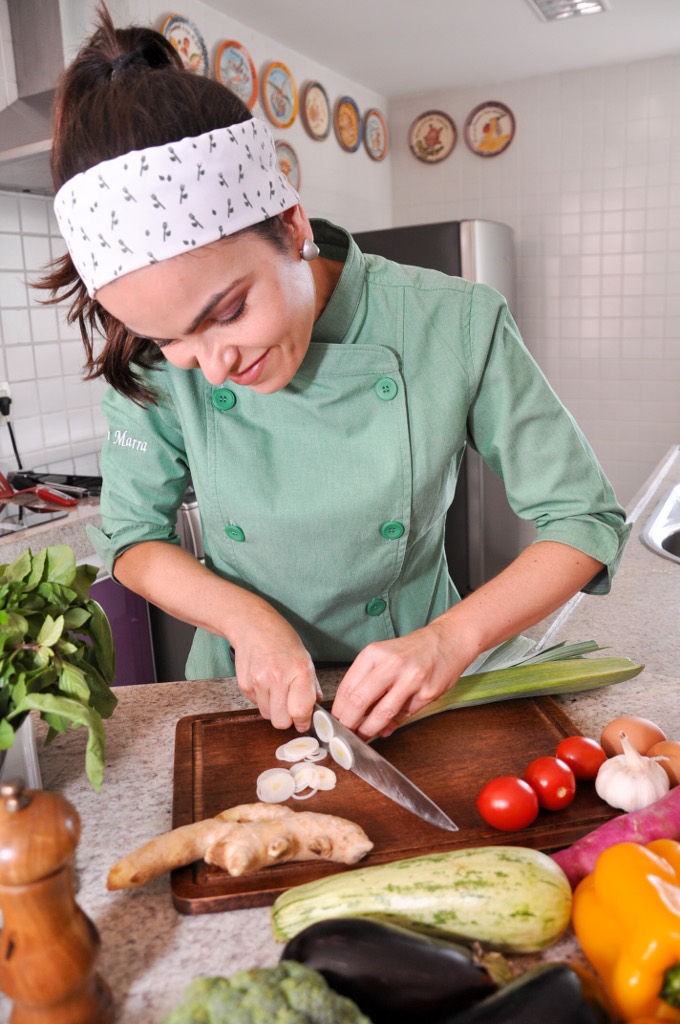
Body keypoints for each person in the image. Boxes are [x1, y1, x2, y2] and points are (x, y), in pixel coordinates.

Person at [39, 8, 630, 742]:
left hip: (425, 689)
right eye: (170, 338)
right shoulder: (155, 365)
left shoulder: (453, 321)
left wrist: (449, 641)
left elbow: (583, 519)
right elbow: (132, 540)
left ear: (291, 224)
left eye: (228, 311)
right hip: (240, 692)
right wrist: (246, 620)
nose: (211, 361)